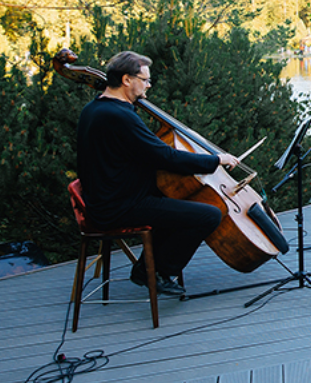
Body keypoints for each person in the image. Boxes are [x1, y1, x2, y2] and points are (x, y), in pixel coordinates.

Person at [75, 51, 239, 297]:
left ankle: (148, 267)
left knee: (177, 206)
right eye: (144, 79)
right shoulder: (118, 116)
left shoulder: (95, 108)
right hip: (120, 205)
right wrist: (216, 160)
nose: (148, 85)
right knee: (209, 215)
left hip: (108, 198)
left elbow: (144, 154)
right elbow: (165, 157)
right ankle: (156, 271)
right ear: (126, 80)